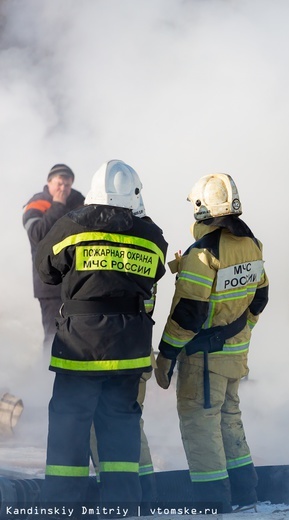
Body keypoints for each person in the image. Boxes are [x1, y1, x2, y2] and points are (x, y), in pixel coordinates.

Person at [34, 160, 168, 512]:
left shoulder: (70, 226)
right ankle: (123, 508)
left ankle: (62, 508)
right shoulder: (150, 235)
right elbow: (155, 271)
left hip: (79, 349)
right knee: (121, 430)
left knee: (69, 428)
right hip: (128, 351)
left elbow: (45, 269)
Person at [154, 173, 269, 513]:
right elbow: (259, 298)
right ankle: (246, 495)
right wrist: (239, 331)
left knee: (200, 425)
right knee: (229, 419)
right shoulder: (252, 244)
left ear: (202, 207)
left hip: (203, 361)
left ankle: (213, 503)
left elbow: (189, 313)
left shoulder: (203, 253)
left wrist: (166, 356)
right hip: (235, 357)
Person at [23, 164, 85, 350]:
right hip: (49, 284)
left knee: (78, 335)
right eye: (59, 183)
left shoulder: (79, 200)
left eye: (67, 184)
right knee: (53, 335)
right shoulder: (37, 203)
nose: (63, 188)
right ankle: (46, 375)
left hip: (79, 283)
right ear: (49, 183)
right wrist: (58, 205)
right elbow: (37, 235)